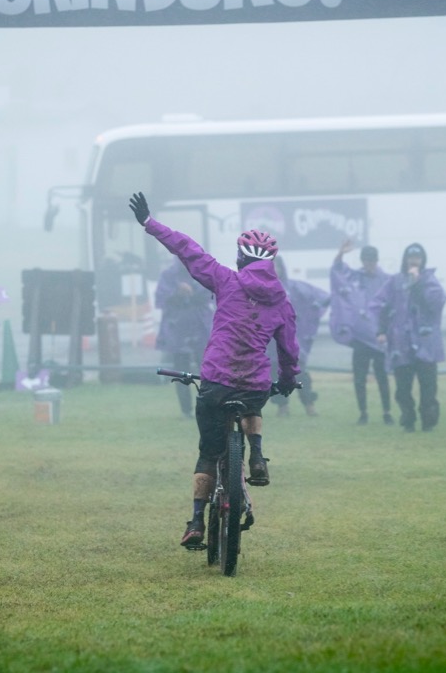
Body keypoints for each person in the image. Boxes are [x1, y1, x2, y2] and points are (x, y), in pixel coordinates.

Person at [128, 192, 299, 550]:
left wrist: (149, 223)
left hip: (217, 380)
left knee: (208, 452)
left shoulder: (226, 280)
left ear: (240, 258)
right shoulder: (281, 301)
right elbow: (288, 350)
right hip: (252, 385)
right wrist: (285, 381)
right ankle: (256, 452)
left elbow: (188, 250)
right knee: (254, 404)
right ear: (271, 262)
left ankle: (195, 521)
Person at [369, 243, 446, 433]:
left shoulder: (429, 280)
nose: (414, 261)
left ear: (423, 260)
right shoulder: (394, 281)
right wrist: (381, 330)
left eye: (418, 258)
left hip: (425, 344)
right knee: (403, 388)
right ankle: (408, 420)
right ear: (405, 259)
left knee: (428, 386)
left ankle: (428, 421)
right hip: (400, 344)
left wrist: (418, 283)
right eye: (411, 258)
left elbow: (437, 302)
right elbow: (380, 305)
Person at [330, 240, 393, 425]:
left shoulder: (386, 280)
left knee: (382, 377)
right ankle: (363, 412)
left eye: (371, 260)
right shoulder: (355, 277)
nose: (369, 264)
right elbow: (338, 270)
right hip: (360, 337)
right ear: (362, 260)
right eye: (366, 260)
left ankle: (386, 412)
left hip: (380, 336)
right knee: (360, 377)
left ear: (377, 260)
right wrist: (340, 253)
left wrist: (387, 330)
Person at [270, 255, 329, 417]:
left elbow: (319, 298)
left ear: (282, 268)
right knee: (276, 373)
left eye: (276, 266)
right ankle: (282, 406)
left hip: (291, 340)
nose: (274, 269)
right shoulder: (259, 289)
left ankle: (309, 404)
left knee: (300, 372)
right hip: (270, 342)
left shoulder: (294, 287)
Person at [154, 257, 214, 418]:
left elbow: (210, 295)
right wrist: (177, 293)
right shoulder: (168, 276)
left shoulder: (203, 273)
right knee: (181, 372)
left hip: (200, 328)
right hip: (177, 331)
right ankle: (186, 410)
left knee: (208, 371)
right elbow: (161, 299)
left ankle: (208, 406)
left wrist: (192, 291)